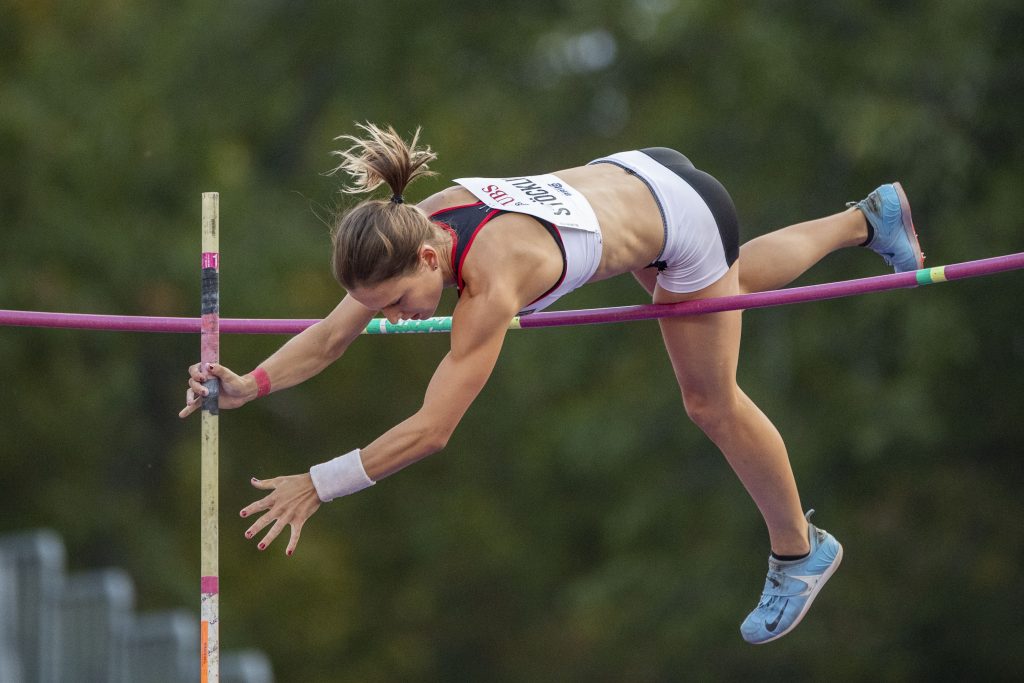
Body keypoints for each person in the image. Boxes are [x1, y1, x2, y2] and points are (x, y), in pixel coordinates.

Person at [179, 123, 923, 644]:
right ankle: (868, 218)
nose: (398, 320)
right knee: (715, 291)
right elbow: (336, 334)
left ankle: (801, 549)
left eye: (398, 302)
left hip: (682, 217)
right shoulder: (411, 225)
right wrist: (252, 383)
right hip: (642, 175)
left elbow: (433, 429)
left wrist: (319, 482)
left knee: (710, 399)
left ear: (431, 264)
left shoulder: (494, 282)